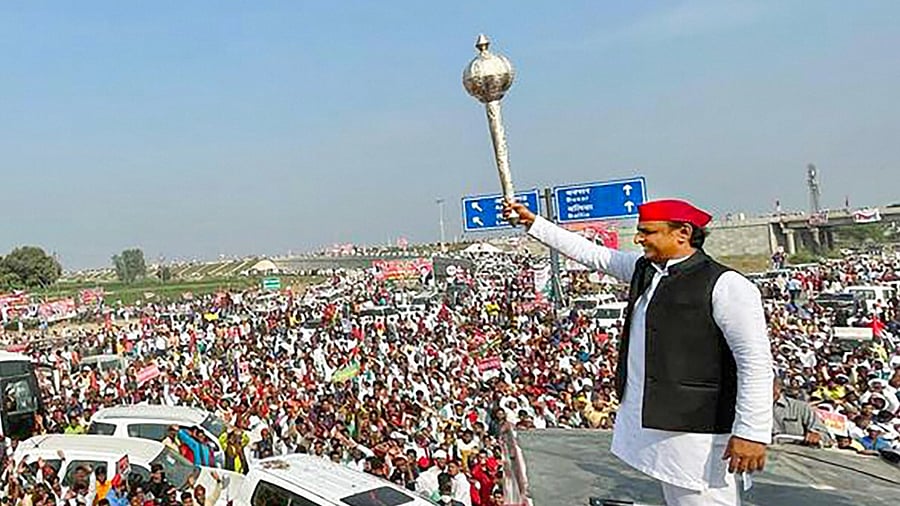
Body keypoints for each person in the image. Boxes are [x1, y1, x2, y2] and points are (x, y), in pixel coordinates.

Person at [504, 198, 773, 506]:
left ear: (682, 233)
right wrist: (532, 223)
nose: (638, 239)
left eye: (648, 232)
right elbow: (593, 254)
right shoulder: (645, 271)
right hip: (663, 426)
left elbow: (755, 364)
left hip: (700, 431)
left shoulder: (727, 285)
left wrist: (751, 433)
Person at [772, 377, 831, 446]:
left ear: (779, 388)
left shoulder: (801, 407)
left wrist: (816, 436)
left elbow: (825, 435)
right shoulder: (756, 410)